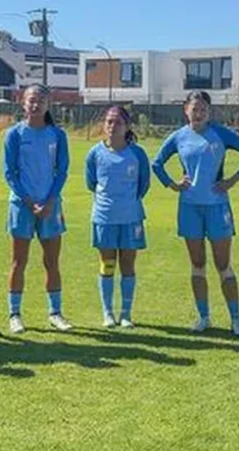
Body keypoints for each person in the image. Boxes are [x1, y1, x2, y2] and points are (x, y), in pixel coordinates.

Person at [152, 90, 239, 335]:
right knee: (197, 263)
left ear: (209, 112)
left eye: (203, 110)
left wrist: (231, 181)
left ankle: (236, 320)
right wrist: (173, 185)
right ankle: (203, 317)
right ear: (185, 110)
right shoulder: (179, 137)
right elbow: (156, 164)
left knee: (223, 264)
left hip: (217, 207)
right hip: (189, 207)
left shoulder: (220, 133)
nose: (198, 114)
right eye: (194, 109)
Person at [3, 84, 72, 334]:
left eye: (41, 100)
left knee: (51, 262)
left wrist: (50, 200)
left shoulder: (57, 135)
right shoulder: (14, 134)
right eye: (32, 100)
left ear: (47, 104)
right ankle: (14, 314)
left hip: (51, 206)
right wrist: (29, 201)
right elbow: (9, 172)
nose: (36, 104)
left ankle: (55, 312)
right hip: (22, 206)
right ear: (23, 102)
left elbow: (61, 171)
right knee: (18, 262)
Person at [85, 106, 151, 329]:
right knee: (108, 264)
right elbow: (91, 183)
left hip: (131, 218)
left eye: (118, 122)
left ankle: (126, 314)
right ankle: (108, 313)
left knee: (128, 265)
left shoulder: (137, 154)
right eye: (109, 122)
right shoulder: (95, 153)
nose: (113, 126)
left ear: (127, 126)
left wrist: (128, 203)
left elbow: (143, 185)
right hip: (104, 217)